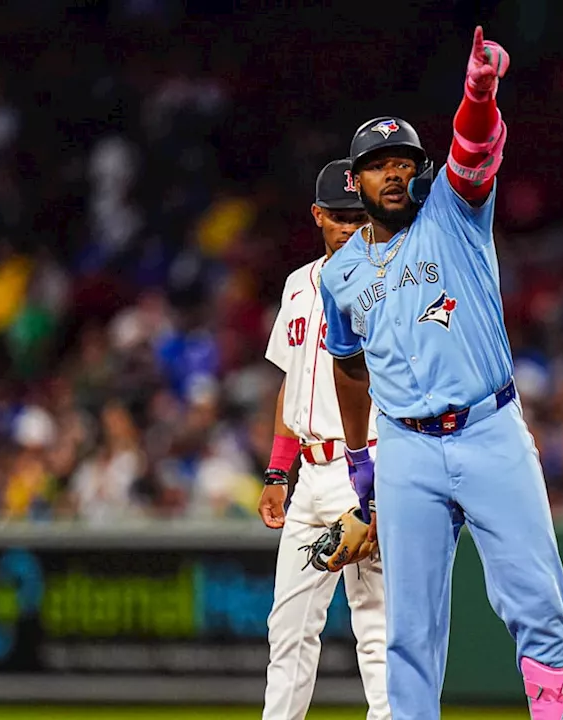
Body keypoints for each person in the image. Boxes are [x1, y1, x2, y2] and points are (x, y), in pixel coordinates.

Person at [318, 27, 563, 719]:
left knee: (539, 606)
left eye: (406, 161)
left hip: (488, 430)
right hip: (405, 449)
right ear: (356, 180)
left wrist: (479, 92)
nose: (396, 173)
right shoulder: (339, 275)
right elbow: (347, 368)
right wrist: (359, 462)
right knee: (409, 634)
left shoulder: (453, 214)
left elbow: (474, 148)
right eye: (380, 165)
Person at [260, 158, 389, 720]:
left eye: (357, 215)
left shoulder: (391, 280)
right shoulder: (297, 284)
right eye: (337, 216)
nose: (348, 226)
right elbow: (291, 385)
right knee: (287, 630)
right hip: (308, 474)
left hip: (370, 466)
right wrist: (276, 472)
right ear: (317, 216)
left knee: (378, 629)